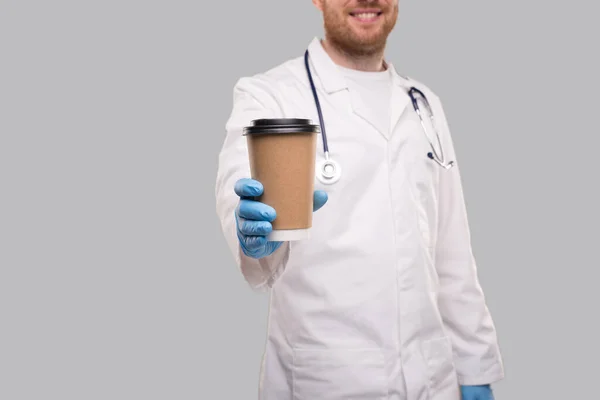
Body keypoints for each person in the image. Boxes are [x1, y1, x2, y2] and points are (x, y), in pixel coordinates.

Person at [215, 0, 505, 399]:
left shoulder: (423, 104)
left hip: (435, 380)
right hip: (328, 381)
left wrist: (476, 368)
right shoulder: (269, 95)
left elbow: (451, 251)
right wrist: (253, 233)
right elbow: (239, 184)